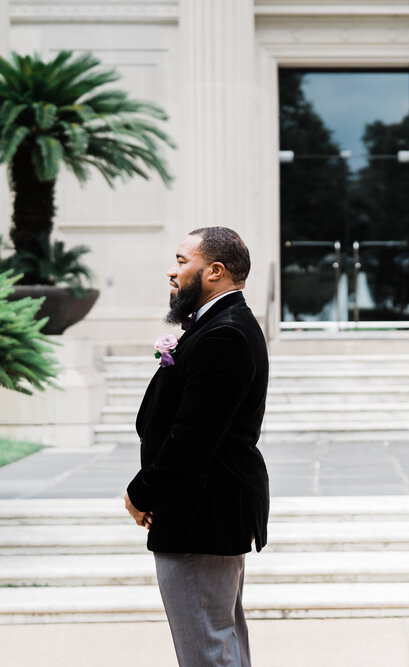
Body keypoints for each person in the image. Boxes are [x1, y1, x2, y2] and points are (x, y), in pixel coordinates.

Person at [125, 227, 269, 667]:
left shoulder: (223, 334)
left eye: (182, 261)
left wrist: (142, 491)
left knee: (207, 649)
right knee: (219, 640)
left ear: (216, 272)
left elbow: (194, 436)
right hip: (205, 511)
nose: (172, 271)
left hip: (201, 514)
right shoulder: (217, 325)